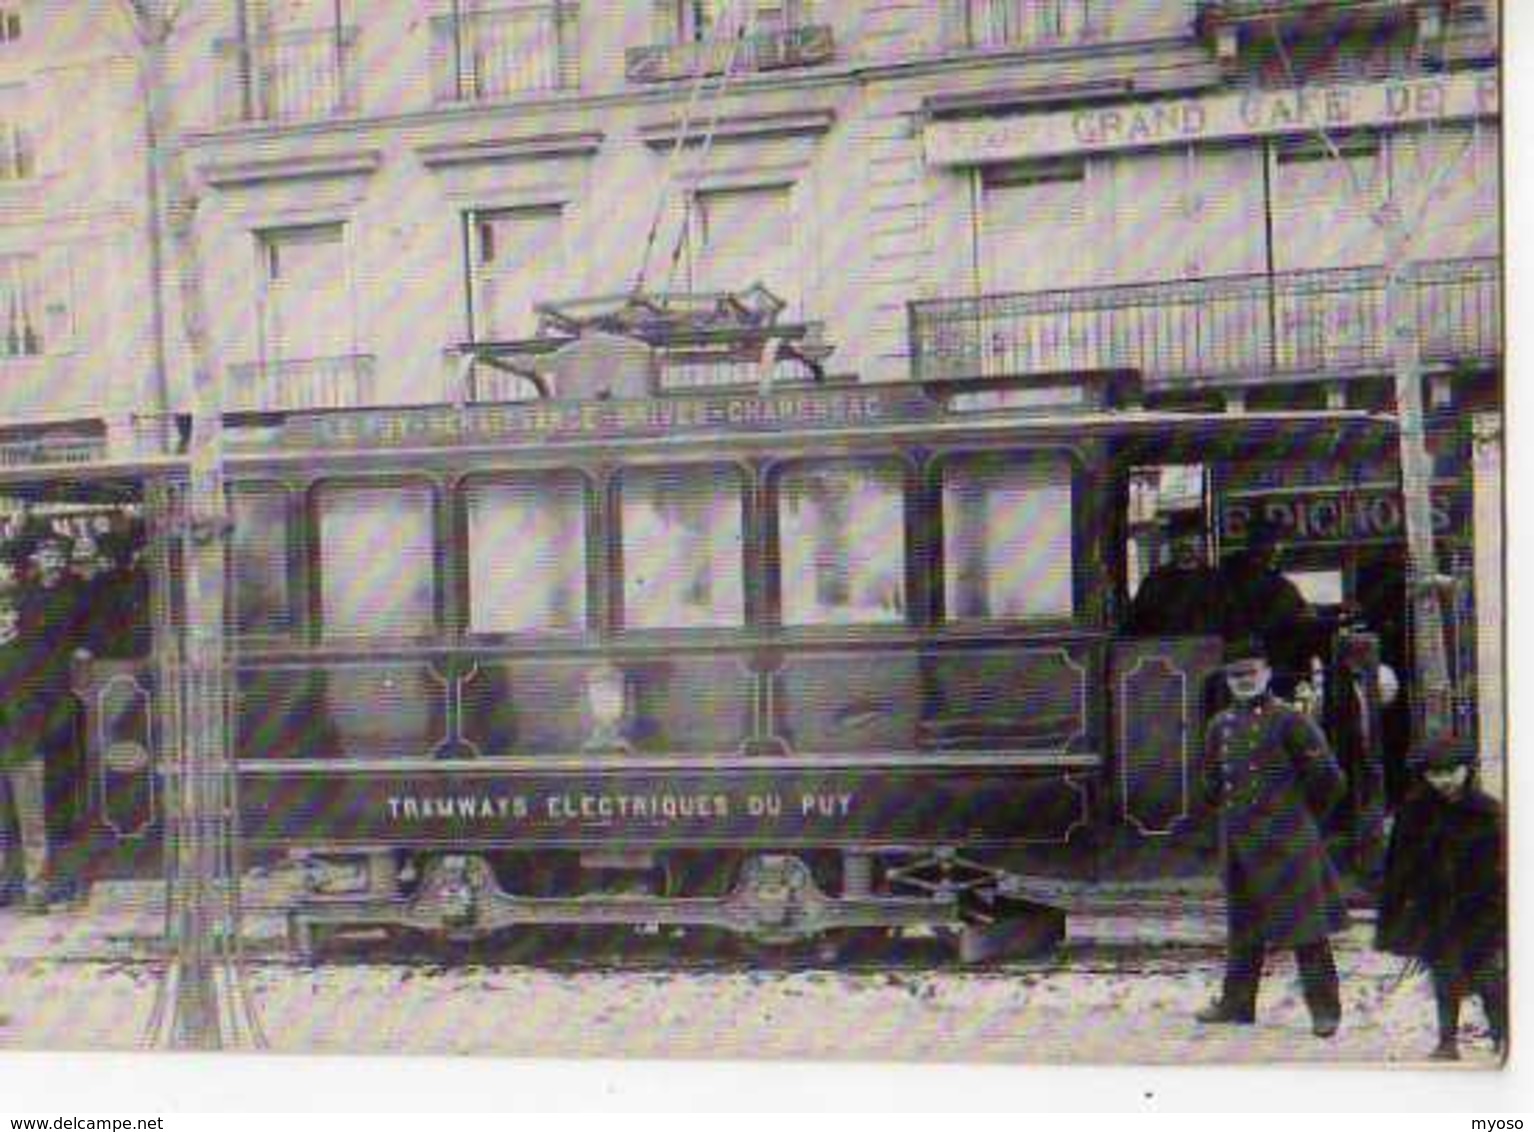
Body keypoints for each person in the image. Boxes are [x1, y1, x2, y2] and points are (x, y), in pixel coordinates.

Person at [1197, 635, 1349, 1038]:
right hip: (1241, 843)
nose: (1243, 680)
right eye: (1235, 675)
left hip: (1288, 842)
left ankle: (1325, 1011)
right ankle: (1237, 1004)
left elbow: (1329, 780)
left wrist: (1299, 819)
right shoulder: (1220, 726)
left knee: (1306, 929)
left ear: (1266, 673)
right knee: (1243, 927)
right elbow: (1211, 782)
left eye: (1250, 672)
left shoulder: (1291, 720)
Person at [1375, 738, 1505, 1061]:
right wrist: (1392, 915)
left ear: (1467, 770)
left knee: (1489, 976)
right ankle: (1447, 1042)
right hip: (1434, 910)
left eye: (1452, 771)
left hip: (1481, 909)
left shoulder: (1487, 812)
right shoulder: (1413, 812)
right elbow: (1397, 867)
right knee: (1445, 975)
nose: (1444, 780)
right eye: (1435, 773)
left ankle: (1503, 1036)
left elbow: (1503, 867)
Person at [13, 521, 89, 907]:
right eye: (46, 554)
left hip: (60, 688)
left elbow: (88, 634)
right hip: (28, 694)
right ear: (36, 559)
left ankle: (60, 879)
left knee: (58, 785)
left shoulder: (78, 591)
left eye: (57, 554)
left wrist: (82, 655)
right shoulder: (24, 596)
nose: (52, 560)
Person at [1218, 513, 1322, 698]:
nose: (1278, 549)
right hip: (1264, 665)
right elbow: (1290, 616)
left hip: (1245, 662)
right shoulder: (1274, 586)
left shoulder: (1229, 575)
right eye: (1274, 543)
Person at [0, 591, 48, 912]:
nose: (3, 618)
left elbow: (48, 699)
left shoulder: (33, 654)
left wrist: (35, 734)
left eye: (7, 612)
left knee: (32, 823)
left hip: (26, 745)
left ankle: (37, 891)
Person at [1126, 511, 1222, 637]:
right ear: (1170, 541)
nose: (1185, 543)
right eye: (1179, 536)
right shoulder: (1154, 582)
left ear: (1202, 541)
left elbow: (1233, 631)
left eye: (1192, 536)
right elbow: (1134, 629)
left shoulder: (1218, 582)